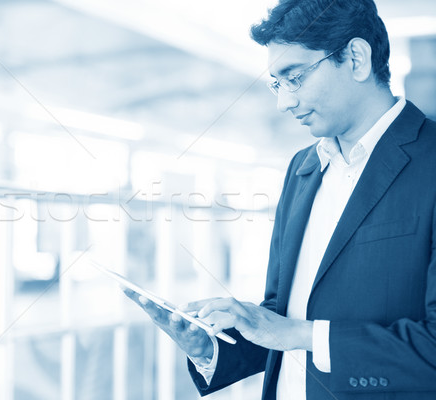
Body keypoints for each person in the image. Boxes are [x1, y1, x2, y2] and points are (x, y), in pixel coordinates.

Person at [123, 0, 436, 398]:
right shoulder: (302, 168)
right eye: (277, 83)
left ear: (356, 58)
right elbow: (281, 314)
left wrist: (299, 334)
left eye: (295, 77)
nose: (284, 101)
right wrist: (213, 348)